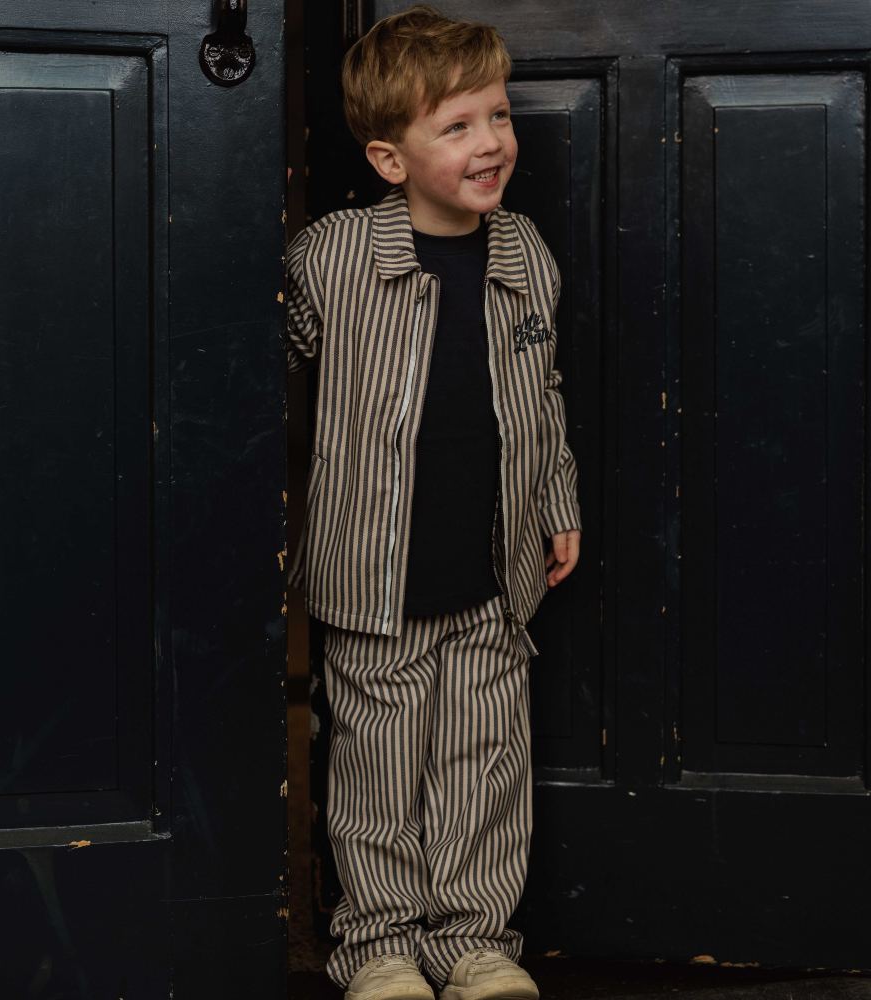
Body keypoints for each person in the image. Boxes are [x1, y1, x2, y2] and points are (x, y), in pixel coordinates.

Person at [284, 6, 581, 998]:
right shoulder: (334, 255)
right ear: (388, 157)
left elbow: (543, 394)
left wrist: (556, 497)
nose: (490, 141)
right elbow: (263, 388)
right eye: (455, 127)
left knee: (484, 765)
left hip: (494, 571)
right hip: (374, 575)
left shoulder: (524, 254)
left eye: (495, 115)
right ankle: (377, 943)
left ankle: (473, 939)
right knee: (375, 772)